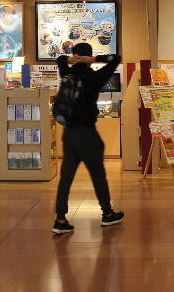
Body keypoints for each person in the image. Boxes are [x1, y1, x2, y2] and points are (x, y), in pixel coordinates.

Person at [53, 43, 124, 234]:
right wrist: (96, 60)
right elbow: (116, 58)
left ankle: (60, 219)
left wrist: (69, 59)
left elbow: (59, 60)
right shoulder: (94, 77)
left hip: (68, 134)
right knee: (98, 176)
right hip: (87, 134)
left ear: (74, 55)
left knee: (65, 178)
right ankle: (107, 214)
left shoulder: (66, 73)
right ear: (89, 56)